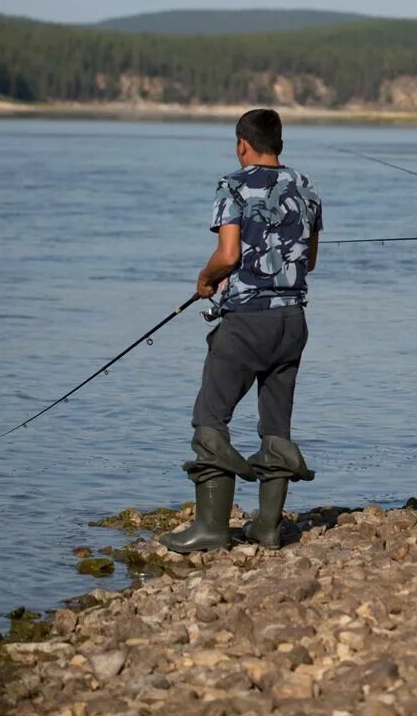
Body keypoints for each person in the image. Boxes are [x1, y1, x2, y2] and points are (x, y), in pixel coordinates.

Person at [160, 108, 323, 554]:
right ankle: (267, 529)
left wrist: (205, 278)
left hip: (247, 321)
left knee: (210, 419)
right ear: (281, 145)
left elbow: (228, 254)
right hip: (293, 322)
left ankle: (211, 530)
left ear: (241, 145)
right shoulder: (306, 186)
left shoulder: (232, 184)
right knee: (276, 427)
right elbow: (309, 261)